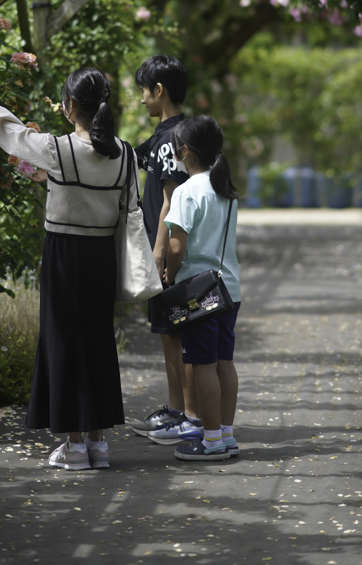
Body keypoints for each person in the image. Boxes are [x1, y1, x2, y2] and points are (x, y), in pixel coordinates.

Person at [0, 66, 138, 471]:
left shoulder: (59, 149)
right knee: (96, 341)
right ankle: (97, 442)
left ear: (70, 106)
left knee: (65, 340)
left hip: (65, 254)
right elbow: (124, 207)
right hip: (102, 256)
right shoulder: (126, 153)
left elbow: (9, 132)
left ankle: (74, 446)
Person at [130, 55, 201, 443]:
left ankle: (183, 414)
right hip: (162, 251)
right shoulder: (165, 136)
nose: (141, 98)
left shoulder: (172, 140)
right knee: (168, 332)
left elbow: (172, 202)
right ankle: (176, 409)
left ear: (159, 91)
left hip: (166, 252)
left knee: (176, 333)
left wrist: (159, 253)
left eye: (144, 90)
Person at [164, 115, 241, 462]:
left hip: (199, 292)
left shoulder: (185, 191)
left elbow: (177, 246)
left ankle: (210, 441)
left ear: (185, 151)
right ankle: (225, 434)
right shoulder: (226, 189)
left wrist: (169, 272)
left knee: (204, 365)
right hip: (229, 289)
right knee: (225, 362)